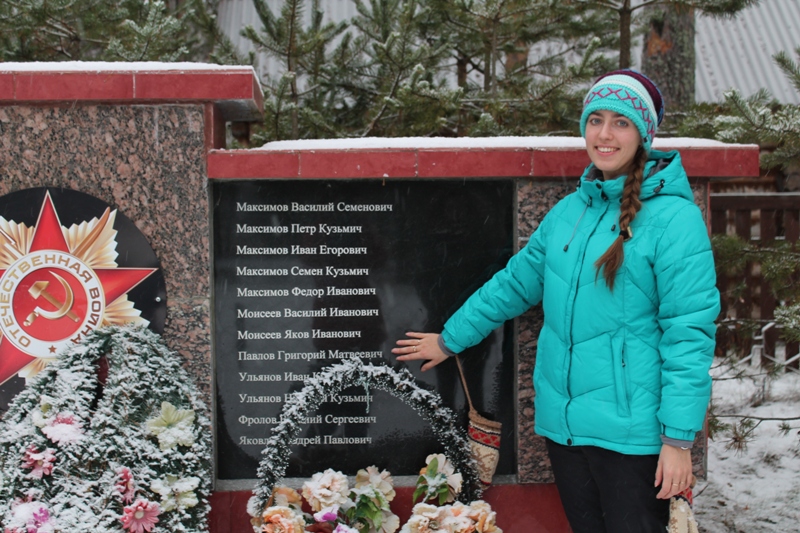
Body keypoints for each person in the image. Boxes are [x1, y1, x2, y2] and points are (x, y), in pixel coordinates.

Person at [393, 70, 720, 533]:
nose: (604, 135)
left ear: (644, 133)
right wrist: (450, 340)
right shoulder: (569, 213)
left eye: (621, 123)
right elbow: (512, 286)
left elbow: (689, 335)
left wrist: (679, 441)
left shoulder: (675, 221)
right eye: (596, 120)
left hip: (635, 442)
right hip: (566, 433)